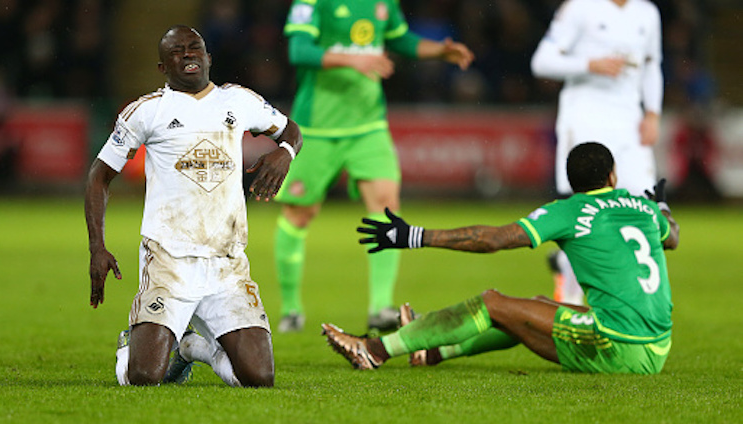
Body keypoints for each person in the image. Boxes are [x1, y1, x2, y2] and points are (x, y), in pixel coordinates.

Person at [322, 142, 679, 375]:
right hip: (657, 347)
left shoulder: (570, 210)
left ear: (571, 182)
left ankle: (374, 349)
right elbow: (673, 238)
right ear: (612, 175)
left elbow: (492, 239)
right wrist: (661, 204)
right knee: (535, 307)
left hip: (619, 343)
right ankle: (433, 351)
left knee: (494, 304)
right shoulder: (645, 208)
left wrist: (414, 236)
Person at [85, 25, 302, 387]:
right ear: (162, 67)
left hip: (226, 263)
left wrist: (285, 152)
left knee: (258, 377)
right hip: (168, 260)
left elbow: (290, 130)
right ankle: (132, 344)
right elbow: (98, 176)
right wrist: (97, 246)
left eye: (195, 48)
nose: (188, 55)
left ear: (208, 57)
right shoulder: (146, 111)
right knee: (144, 376)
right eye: (176, 51)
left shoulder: (239, 101)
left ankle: (192, 349)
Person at [273, 0, 475, 333]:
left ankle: (380, 307)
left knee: (386, 205)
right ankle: (291, 309)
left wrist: (439, 51)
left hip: (369, 126)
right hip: (318, 128)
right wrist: (355, 60)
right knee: (299, 214)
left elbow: (400, 39)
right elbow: (299, 51)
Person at [531, 0, 664, 304]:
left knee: (643, 205)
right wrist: (589, 64)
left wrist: (653, 113)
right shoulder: (579, 8)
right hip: (585, 117)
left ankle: (624, 292)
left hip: (630, 121)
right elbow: (541, 62)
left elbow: (652, 64)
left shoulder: (647, 12)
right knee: (585, 211)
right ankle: (570, 293)